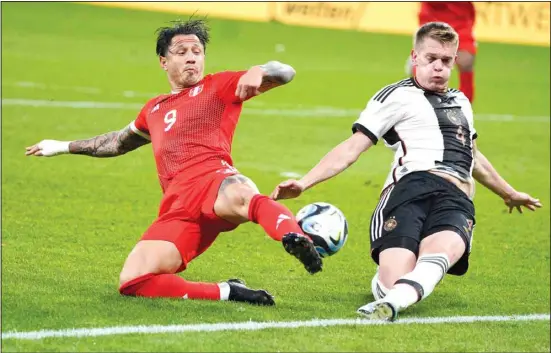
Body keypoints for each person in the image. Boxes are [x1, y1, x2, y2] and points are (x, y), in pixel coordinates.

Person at [25, 19, 323, 306]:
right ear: (163, 61)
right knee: (133, 281)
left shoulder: (218, 86)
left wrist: (258, 70)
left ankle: (294, 236)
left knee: (243, 197)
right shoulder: (153, 109)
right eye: (182, 52)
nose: (192, 58)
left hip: (214, 180)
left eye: (197, 52)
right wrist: (63, 146)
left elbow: (286, 72)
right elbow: (116, 143)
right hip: (178, 206)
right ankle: (229, 292)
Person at [271, 22, 541, 321]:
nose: (438, 67)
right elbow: (353, 147)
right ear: (415, 57)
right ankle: (392, 291)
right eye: (431, 59)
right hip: (409, 191)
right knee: (392, 283)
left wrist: (509, 193)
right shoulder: (395, 96)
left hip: (456, 196)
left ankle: (393, 303)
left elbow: (473, 157)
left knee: (439, 255)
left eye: (446, 61)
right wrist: (305, 183)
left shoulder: (461, 102)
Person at [406, 2, 477, 103]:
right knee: (428, 58)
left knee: (466, 60)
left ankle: (463, 108)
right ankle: (422, 103)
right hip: (433, 12)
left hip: (461, 16)